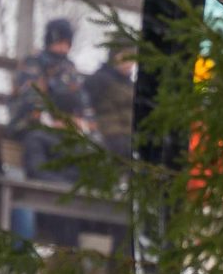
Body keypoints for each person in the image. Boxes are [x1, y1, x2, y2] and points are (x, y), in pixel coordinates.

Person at [11, 18, 95, 183]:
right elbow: (30, 98)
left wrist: (83, 123)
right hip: (32, 124)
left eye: (67, 43)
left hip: (68, 130)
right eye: (60, 41)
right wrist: (52, 120)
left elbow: (83, 100)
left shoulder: (69, 68)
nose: (64, 47)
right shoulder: (33, 63)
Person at [86, 46, 138, 158]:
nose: (128, 63)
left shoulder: (130, 85)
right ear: (114, 57)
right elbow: (86, 105)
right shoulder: (100, 79)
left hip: (129, 136)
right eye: (124, 57)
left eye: (132, 58)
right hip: (109, 136)